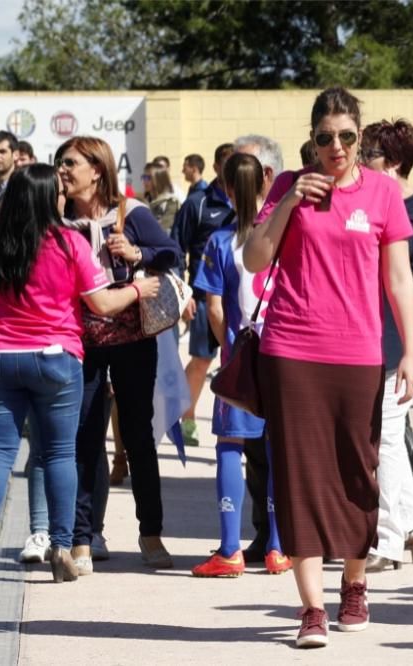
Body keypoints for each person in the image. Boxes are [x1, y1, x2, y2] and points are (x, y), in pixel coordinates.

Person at [244, 87, 413, 649]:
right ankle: (311, 608)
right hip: (291, 350)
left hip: (360, 353)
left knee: (357, 472)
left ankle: (354, 583)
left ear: (360, 138)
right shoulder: (286, 187)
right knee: (298, 476)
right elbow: (253, 258)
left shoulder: (384, 193)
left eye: (347, 137)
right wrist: (292, 200)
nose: (337, 147)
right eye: (325, 138)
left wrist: (412, 352)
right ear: (312, 140)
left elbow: (398, 279)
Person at [0, 164, 160, 586]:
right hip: (56, 357)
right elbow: (102, 304)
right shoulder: (68, 243)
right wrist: (139, 289)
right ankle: (63, 548)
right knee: (60, 454)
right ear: (51, 199)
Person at [59, 136, 182, 574]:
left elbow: (173, 253)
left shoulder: (132, 213)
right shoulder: (57, 219)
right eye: (60, 164)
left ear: (97, 169)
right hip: (81, 344)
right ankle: (83, 538)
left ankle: (151, 534)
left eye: (70, 163)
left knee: (137, 438)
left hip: (133, 343)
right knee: (84, 439)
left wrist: (138, 253)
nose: (62, 171)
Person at [190, 153, 292, 577]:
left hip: (240, 357)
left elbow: (213, 307)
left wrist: (228, 345)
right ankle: (277, 547)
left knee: (231, 446)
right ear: (266, 183)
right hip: (283, 357)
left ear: (228, 188)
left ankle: (230, 550)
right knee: (278, 451)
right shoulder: (282, 239)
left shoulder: (220, 241)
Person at [359, 119, 413, 573]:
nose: (358, 162)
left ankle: (388, 541)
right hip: (379, 335)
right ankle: (405, 527)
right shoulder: (385, 204)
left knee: (387, 437)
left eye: (367, 154)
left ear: (392, 162)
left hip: (402, 338)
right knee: (388, 436)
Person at [232, 134, 285, 564]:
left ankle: (288, 538)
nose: (232, 181)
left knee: (288, 449)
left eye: (241, 170)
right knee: (254, 451)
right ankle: (264, 533)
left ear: (266, 174)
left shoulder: (293, 221)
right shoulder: (227, 233)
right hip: (250, 355)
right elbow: (216, 304)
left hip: (290, 352)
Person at [172, 142, 235, 447]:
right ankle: (188, 419)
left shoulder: (248, 204)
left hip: (238, 303)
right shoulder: (197, 203)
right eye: (227, 164)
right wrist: (183, 297)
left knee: (239, 363)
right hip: (202, 299)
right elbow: (175, 252)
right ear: (216, 167)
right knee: (200, 362)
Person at [147, 162, 178, 233]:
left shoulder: (171, 201)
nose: (144, 181)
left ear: (158, 180)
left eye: (148, 178)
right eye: (144, 177)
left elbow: (164, 228)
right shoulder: (148, 199)